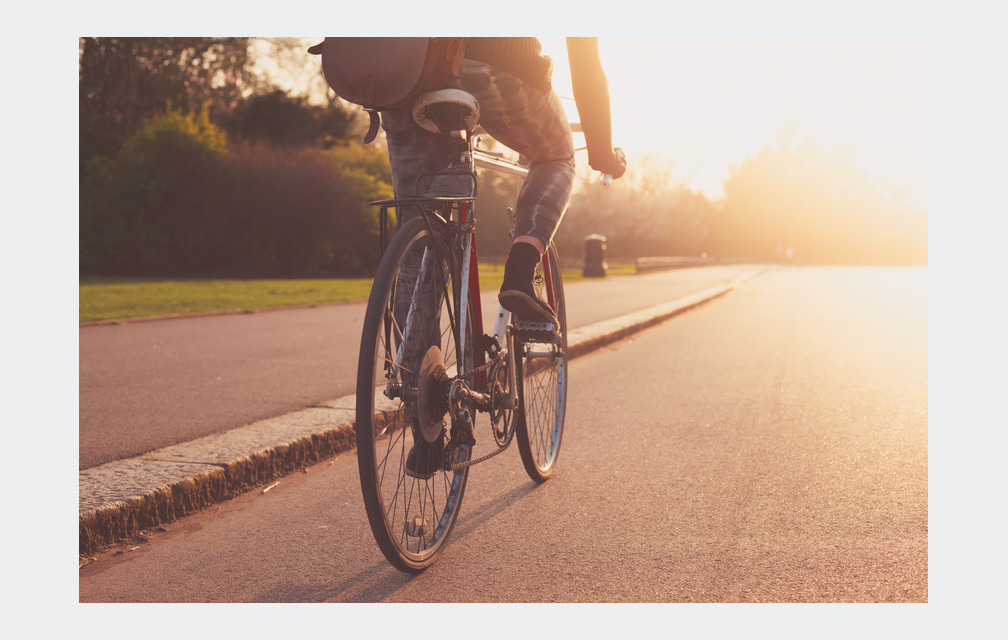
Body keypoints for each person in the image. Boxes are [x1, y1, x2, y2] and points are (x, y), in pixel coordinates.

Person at [381, 37, 626, 326]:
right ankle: (521, 268)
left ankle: (409, 367)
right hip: (494, 66)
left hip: (398, 74)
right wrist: (601, 151)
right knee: (556, 156)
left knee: (418, 243)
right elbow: (585, 60)